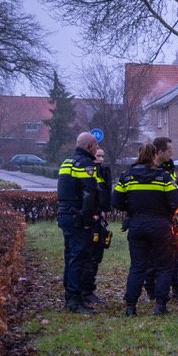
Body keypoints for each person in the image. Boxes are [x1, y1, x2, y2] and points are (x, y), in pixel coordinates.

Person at [114, 143, 178, 315]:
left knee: (137, 266)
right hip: (160, 227)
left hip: (136, 225)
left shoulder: (126, 177)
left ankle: (130, 307)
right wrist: (166, 213)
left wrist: (132, 210)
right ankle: (160, 305)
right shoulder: (164, 177)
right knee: (164, 266)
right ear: (154, 156)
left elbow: (116, 202)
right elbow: (176, 203)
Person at [56, 132, 102, 314]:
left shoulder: (67, 162)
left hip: (65, 214)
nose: (97, 149)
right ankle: (74, 300)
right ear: (89, 146)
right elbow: (89, 193)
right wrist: (87, 219)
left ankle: (70, 295)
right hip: (77, 216)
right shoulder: (85, 164)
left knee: (70, 256)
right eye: (96, 145)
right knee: (79, 257)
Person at [143, 137, 178, 301]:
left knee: (174, 255)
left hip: (169, 219)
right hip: (155, 220)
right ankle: (151, 292)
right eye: (169, 151)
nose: (171, 154)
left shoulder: (169, 167)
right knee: (152, 259)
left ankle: (176, 289)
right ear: (159, 152)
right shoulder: (149, 169)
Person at [79, 146, 113, 306]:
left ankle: (89, 288)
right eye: (98, 156)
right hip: (92, 218)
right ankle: (86, 290)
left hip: (100, 219)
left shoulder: (103, 172)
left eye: (103, 156)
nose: (101, 159)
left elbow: (106, 196)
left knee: (97, 254)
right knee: (90, 256)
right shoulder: (88, 171)